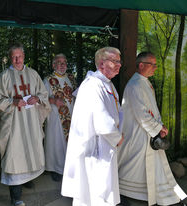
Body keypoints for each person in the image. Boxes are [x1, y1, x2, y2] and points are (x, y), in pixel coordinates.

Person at [118, 52, 187, 206]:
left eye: (156, 64)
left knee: (149, 166)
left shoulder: (144, 82)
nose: (155, 68)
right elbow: (141, 114)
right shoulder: (135, 85)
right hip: (138, 134)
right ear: (141, 65)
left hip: (147, 132)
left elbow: (152, 109)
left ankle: (162, 196)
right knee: (135, 165)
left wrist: (160, 126)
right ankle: (124, 191)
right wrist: (157, 128)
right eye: (152, 64)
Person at [61, 47, 124, 206]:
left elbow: (118, 111)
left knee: (99, 189)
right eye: (115, 61)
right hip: (95, 147)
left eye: (119, 61)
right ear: (102, 64)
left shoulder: (107, 84)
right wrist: (117, 137)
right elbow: (103, 122)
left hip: (104, 144)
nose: (119, 65)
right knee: (95, 190)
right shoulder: (93, 85)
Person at [0, 44, 51, 206]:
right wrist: (13, 101)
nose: (17, 60)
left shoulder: (33, 74)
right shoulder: (3, 77)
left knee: (30, 152)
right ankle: (15, 197)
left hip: (31, 122)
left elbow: (43, 93)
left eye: (20, 56)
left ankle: (28, 179)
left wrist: (38, 99)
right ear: (10, 58)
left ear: (24, 56)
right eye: (14, 57)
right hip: (13, 124)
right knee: (14, 155)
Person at [43, 54, 77, 181]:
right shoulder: (48, 80)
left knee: (69, 142)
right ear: (53, 65)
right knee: (56, 142)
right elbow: (41, 97)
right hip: (56, 117)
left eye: (64, 62)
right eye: (59, 62)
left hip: (71, 115)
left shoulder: (71, 78)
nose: (62, 65)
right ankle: (55, 169)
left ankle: (68, 168)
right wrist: (53, 100)